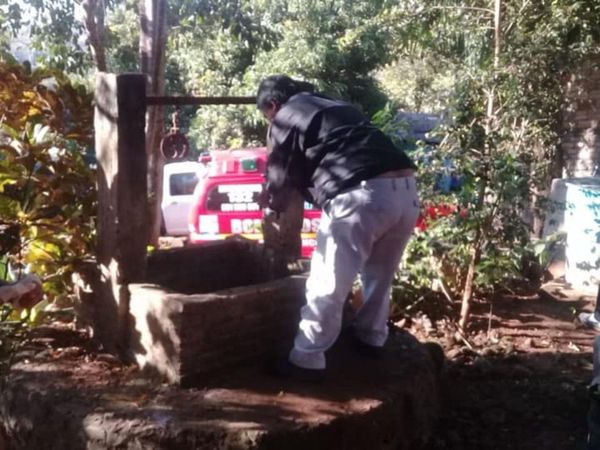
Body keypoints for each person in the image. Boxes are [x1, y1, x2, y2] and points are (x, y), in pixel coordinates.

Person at [257, 75, 420, 380]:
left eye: (267, 116)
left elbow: (280, 177)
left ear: (273, 105)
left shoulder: (286, 115)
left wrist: (272, 203)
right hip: (406, 191)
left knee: (326, 281)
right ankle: (371, 337)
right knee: (379, 276)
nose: (270, 122)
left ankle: (306, 357)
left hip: (360, 196)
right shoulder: (336, 106)